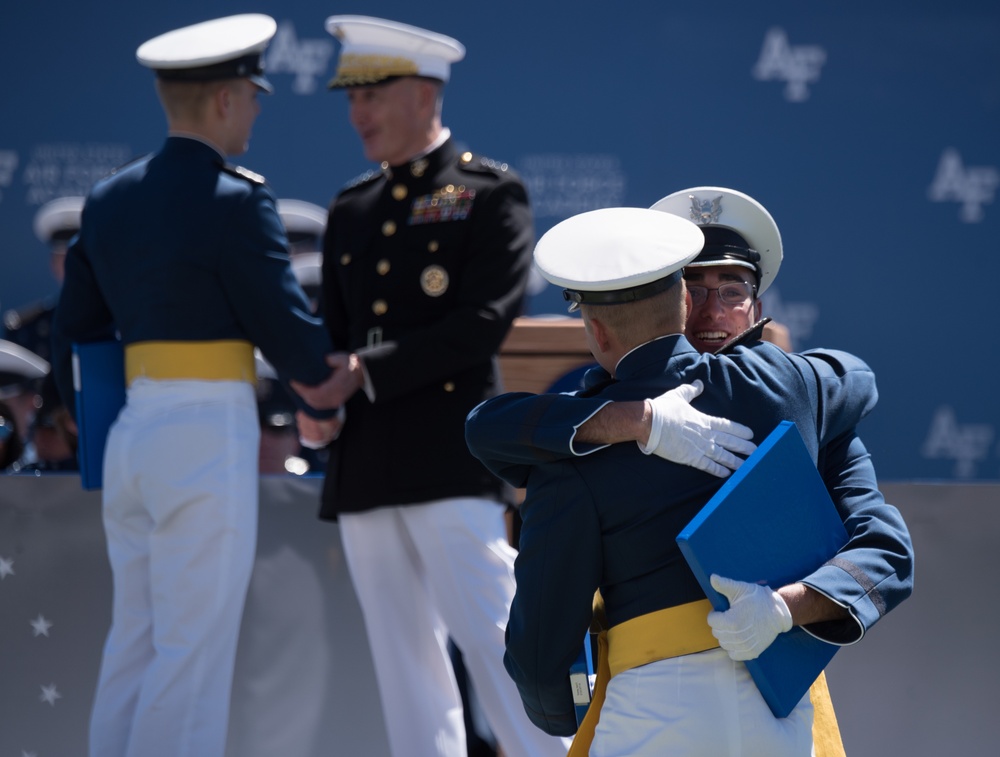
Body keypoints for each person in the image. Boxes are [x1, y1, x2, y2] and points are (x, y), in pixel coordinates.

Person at [465, 187, 912, 754]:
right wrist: (638, 420)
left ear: (756, 306)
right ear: (673, 299)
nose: (710, 312)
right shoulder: (788, 391)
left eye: (731, 292)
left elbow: (887, 549)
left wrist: (785, 607)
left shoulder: (795, 393)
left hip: (716, 702)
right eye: (694, 289)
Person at [49, 14, 339, 757]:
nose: (259, 106)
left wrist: (88, 418)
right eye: (252, 93)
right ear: (223, 101)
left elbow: (72, 334)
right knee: (192, 650)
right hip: (204, 436)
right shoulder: (238, 201)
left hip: (130, 436)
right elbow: (291, 333)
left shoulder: (109, 200)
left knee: (135, 643)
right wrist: (327, 374)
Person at [291, 15, 567, 757]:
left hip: (450, 460)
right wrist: (317, 405)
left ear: (421, 93)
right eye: (350, 99)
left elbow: (483, 321)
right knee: (403, 666)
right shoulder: (352, 207)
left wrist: (364, 373)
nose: (357, 115)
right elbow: (336, 333)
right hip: (364, 465)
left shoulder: (488, 191)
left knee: (498, 639)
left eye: (371, 96)